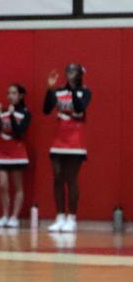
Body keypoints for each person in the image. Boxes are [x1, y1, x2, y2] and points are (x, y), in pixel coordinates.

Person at [44, 63, 92, 233]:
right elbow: (46, 109)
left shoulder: (85, 91)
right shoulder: (59, 91)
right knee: (57, 177)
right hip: (59, 140)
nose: (70, 73)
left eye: (73, 71)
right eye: (68, 71)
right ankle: (59, 217)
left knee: (71, 178)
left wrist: (71, 89)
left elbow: (80, 107)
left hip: (75, 141)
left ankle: (71, 218)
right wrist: (50, 89)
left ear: (79, 74)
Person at [0, 83, 31, 228]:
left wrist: (13, 115)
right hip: (3, 154)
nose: (10, 96)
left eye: (13, 93)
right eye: (8, 93)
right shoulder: (4, 112)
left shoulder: (25, 113)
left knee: (18, 186)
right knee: (3, 185)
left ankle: (14, 217)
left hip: (18, 154)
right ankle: (5, 216)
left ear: (20, 95)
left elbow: (20, 132)